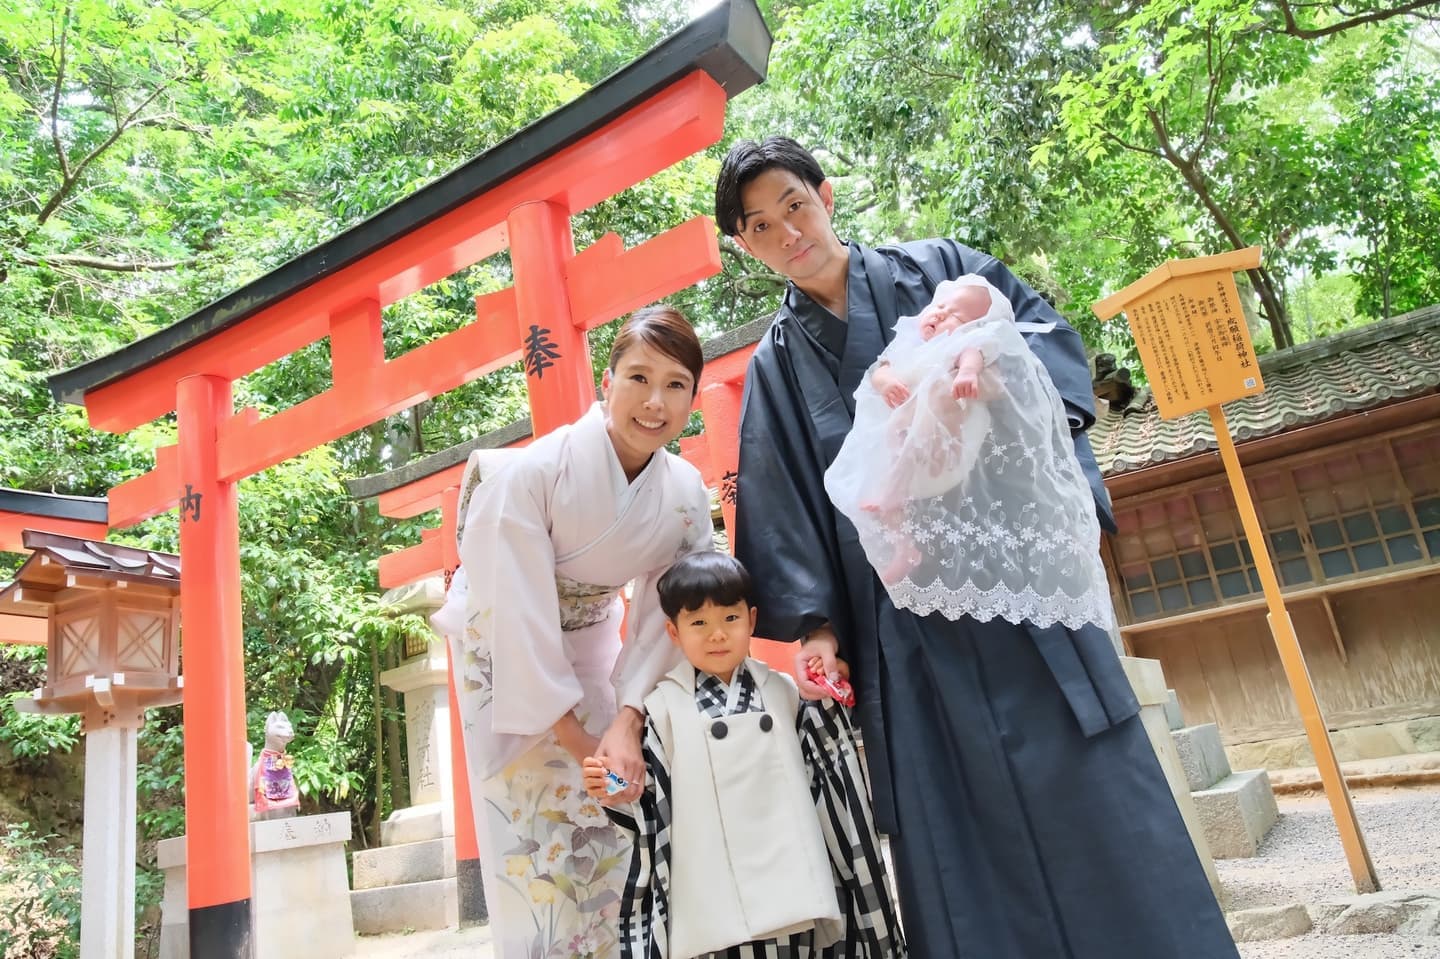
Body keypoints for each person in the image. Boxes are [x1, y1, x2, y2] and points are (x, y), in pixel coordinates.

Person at [716, 136, 1240, 958]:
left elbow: (1045, 347)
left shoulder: (941, 273)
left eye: (794, 204)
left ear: (824, 194)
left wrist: (994, 372)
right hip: (904, 628)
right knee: (953, 830)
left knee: (1095, 796)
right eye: (761, 226)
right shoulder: (777, 369)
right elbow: (784, 507)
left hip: (1014, 587)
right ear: (746, 247)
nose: (788, 232)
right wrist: (816, 627)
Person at [430, 305, 716, 959]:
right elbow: (518, 609)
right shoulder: (536, 474)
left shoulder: (684, 493)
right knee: (534, 827)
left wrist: (627, 720)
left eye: (676, 384)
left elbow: (668, 616)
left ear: (692, 398)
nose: (654, 401)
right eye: (638, 377)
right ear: (606, 381)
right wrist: (576, 735)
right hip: (501, 645)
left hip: (593, 637)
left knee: (616, 811)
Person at [580, 551, 906, 959]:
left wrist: (828, 695)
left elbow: (825, 773)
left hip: (790, 882)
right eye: (698, 623)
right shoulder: (663, 709)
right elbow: (647, 799)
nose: (716, 635)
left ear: (751, 620)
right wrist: (609, 786)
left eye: (729, 619)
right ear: (674, 632)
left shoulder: (784, 692)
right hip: (713, 891)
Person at [825, 273, 1114, 635]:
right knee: (884, 507)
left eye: (955, 315)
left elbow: (972, 358)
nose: (942, 315)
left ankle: (894, 488)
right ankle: (904, 547)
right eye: (940, 307)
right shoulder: (909, 345)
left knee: (928, 412)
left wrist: (966, 374)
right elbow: (879, 371)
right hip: (905, 439)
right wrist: (887, 384)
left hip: (944, 445)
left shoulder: (965, 343)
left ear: (974, 326)